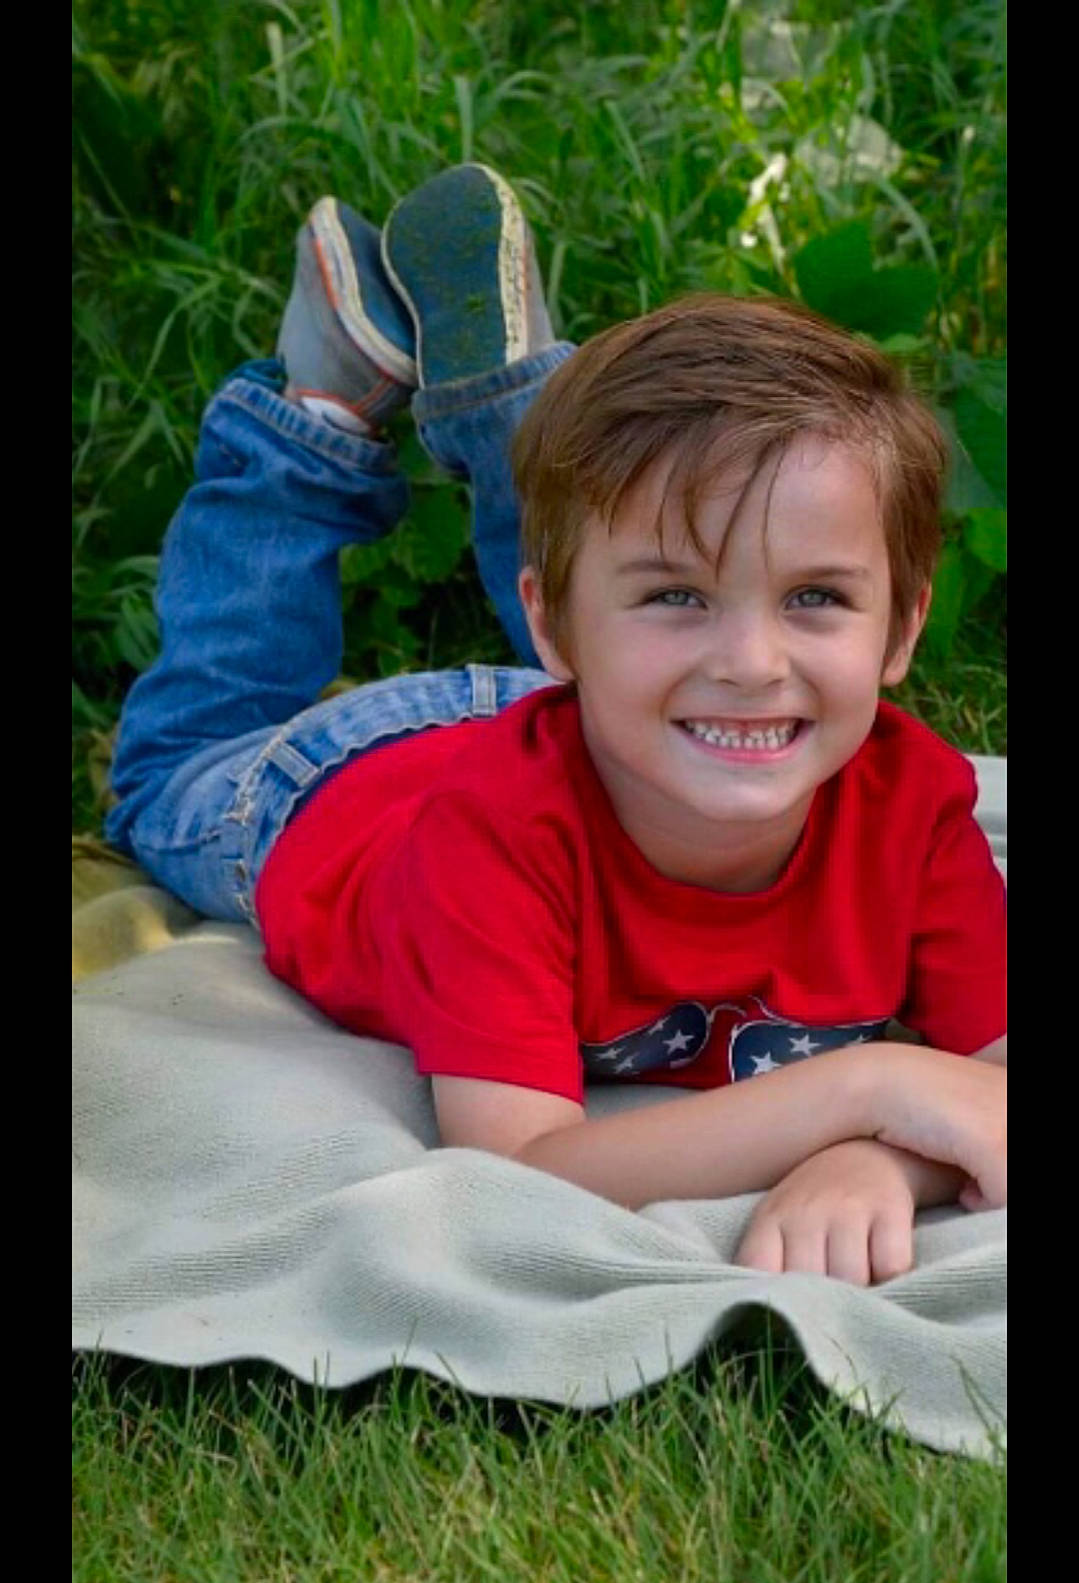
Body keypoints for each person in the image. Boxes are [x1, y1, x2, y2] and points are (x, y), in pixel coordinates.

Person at [104, 163, 1007, 1286]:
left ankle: (513, 406)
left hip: (610, 715)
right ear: (548, 632)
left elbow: (993, 1093)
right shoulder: (487, 843)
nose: (751, 662)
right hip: (322, 790)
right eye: (681, 596)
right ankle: (318, 408)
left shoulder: (908, 807)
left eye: (813, 598)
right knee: (166, 775)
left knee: (629, 535)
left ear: (899, 627)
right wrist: (867, 1090)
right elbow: (526, 1160)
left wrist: (877, 1163)